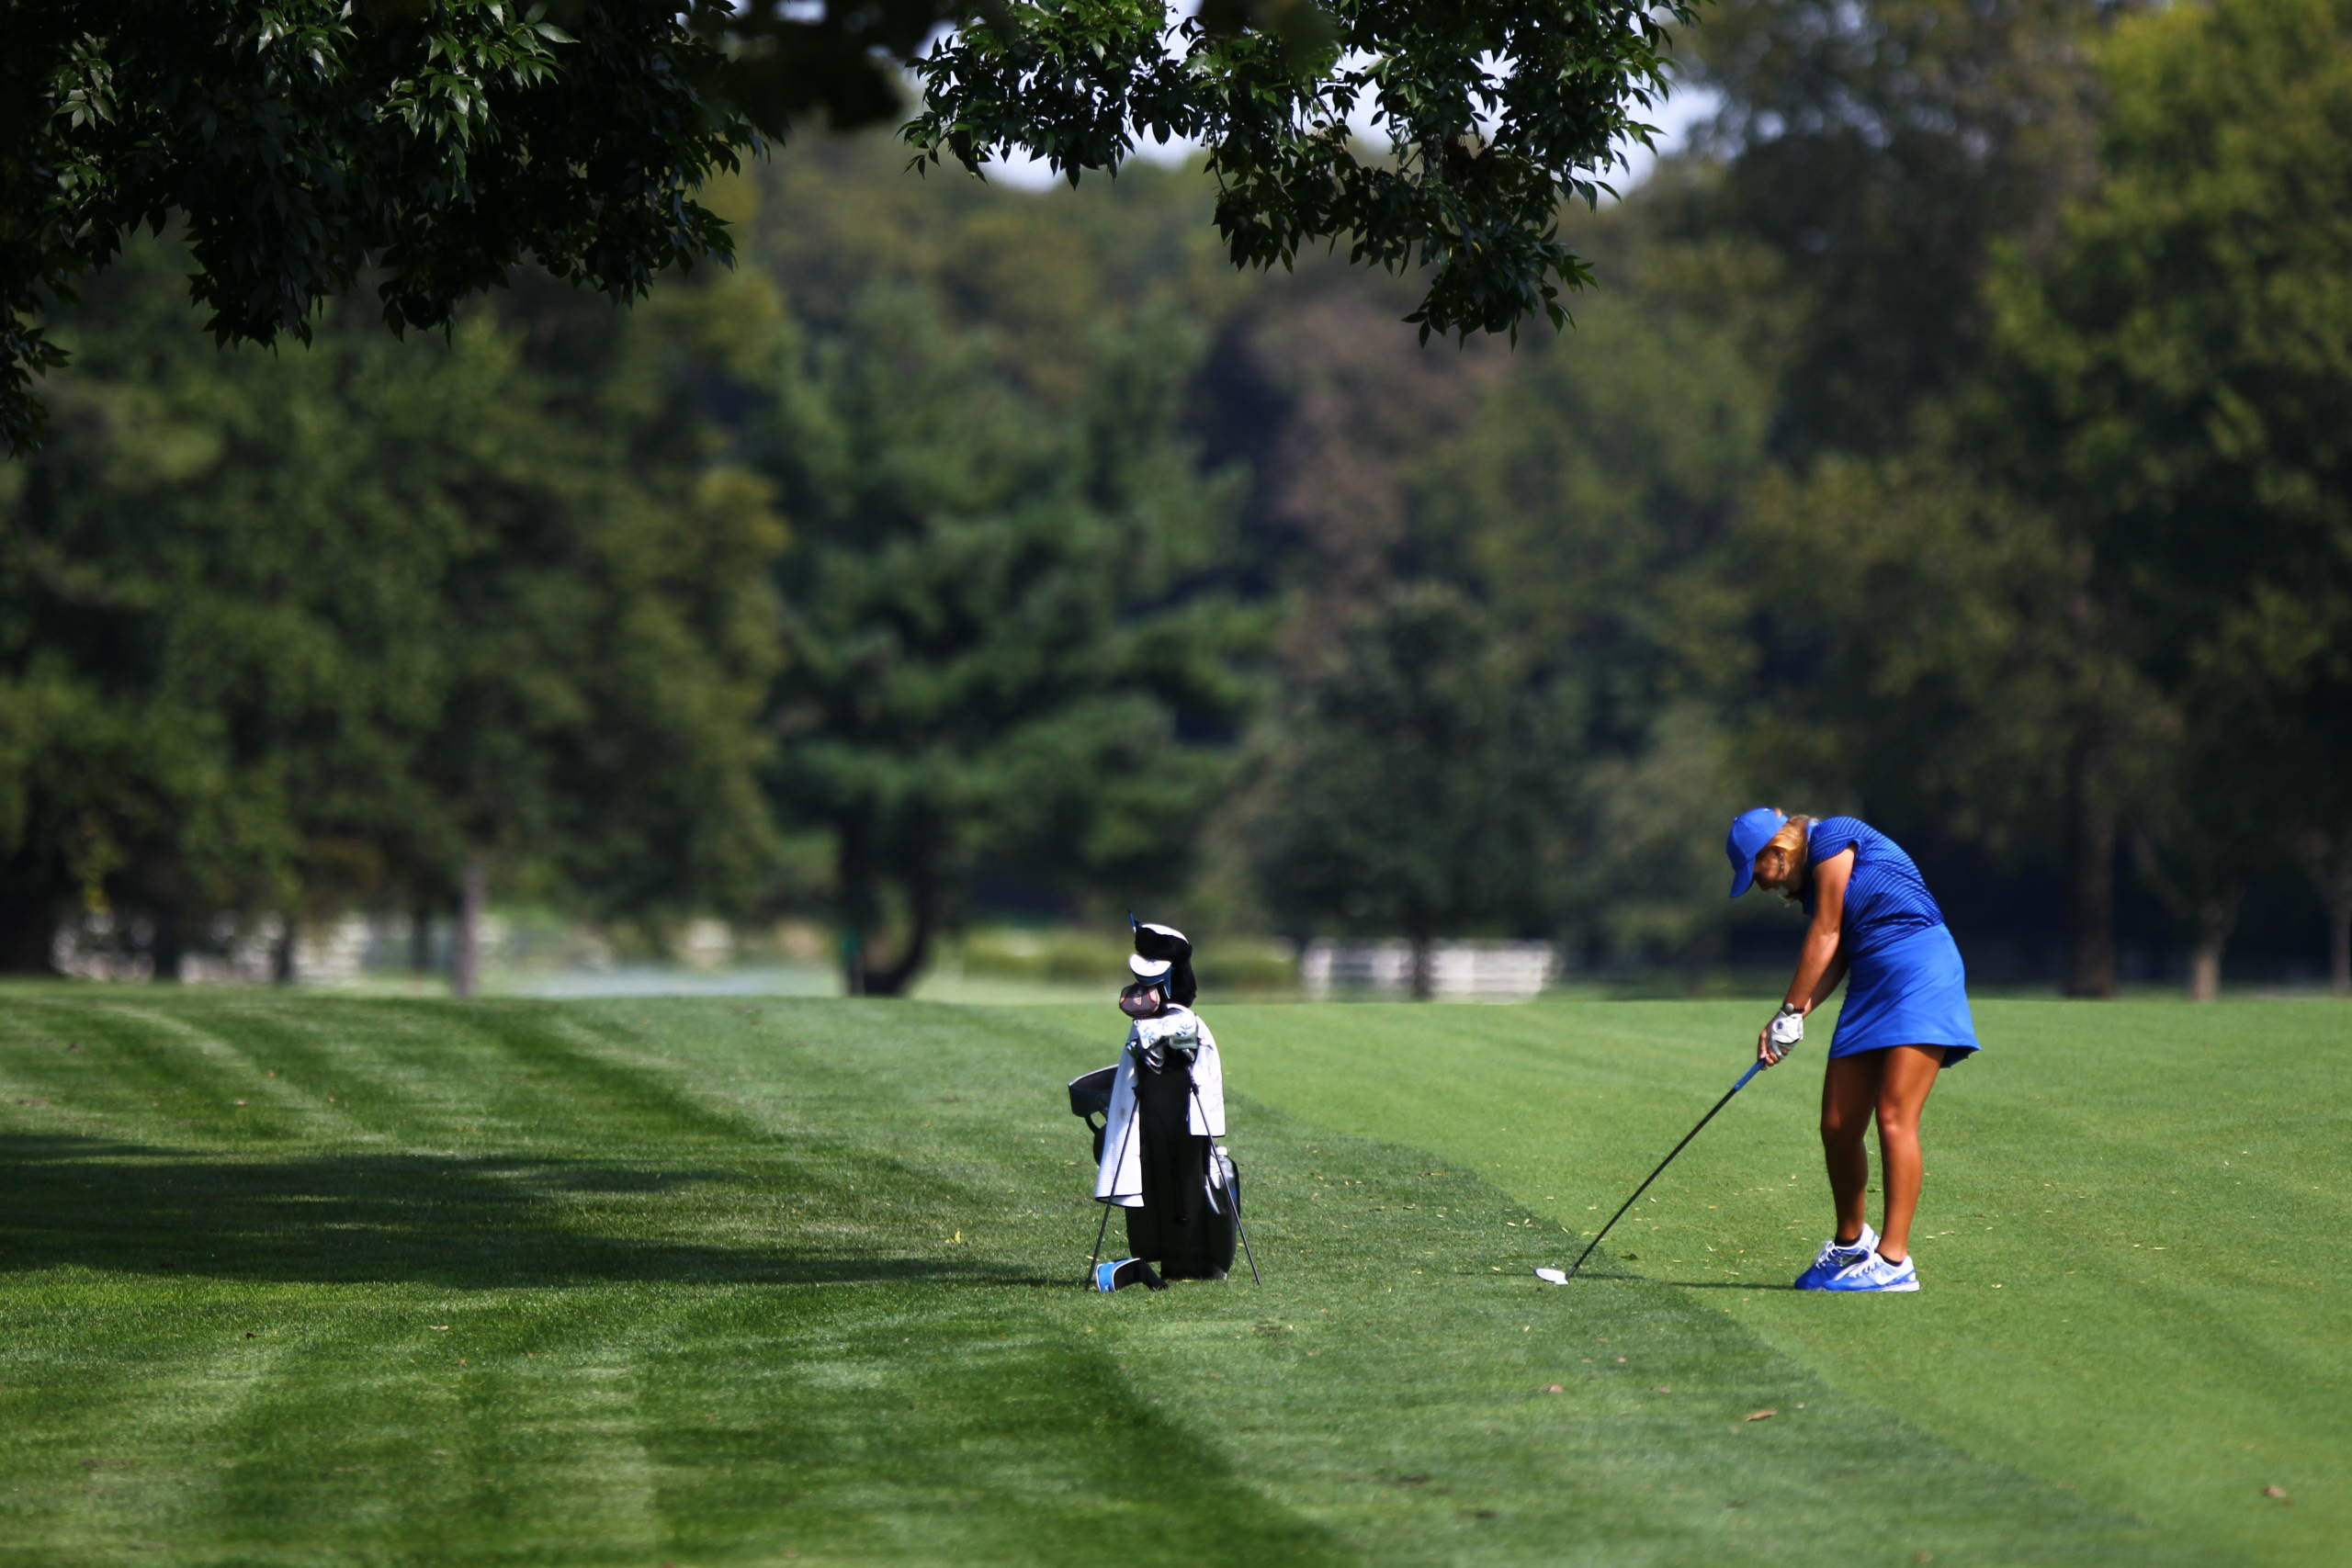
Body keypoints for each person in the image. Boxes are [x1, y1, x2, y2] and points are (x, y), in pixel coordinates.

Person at [1725, 807, 1980, 1293]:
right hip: (1870, 980)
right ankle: (1851, 1245)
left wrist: (1787, 1008)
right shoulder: (1821, 880)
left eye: (1758, 873)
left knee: (1893, 1117)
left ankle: (1893, 1261)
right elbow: (1837, 950)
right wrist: (1797, 1017)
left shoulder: (1834, 837)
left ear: (1777, 852)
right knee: (1839, 1124)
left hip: (1918, 968)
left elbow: (1826, 934)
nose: (1761, 886)